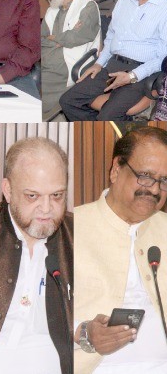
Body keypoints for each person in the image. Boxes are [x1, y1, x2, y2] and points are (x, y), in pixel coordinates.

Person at [74, 127, 167, 373]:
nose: (155, 189)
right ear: (116, 169)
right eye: (145, 176)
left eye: (164, 181)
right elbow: (35, 315)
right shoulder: (69, 228)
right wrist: (84, 332)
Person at [0, 138, 73, 374]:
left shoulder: (80, 236)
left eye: (57, 195)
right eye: (33, 196)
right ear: (8, 190)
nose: (46, 208)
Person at [60, 0, 167, 121]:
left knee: (107, 115)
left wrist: (132, 76)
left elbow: (162, 58)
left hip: (141, 72)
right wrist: (98, 63)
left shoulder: (164, 8)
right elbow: (111, 36)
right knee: (68, 101)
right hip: (112, 64)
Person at [41, 0, 101, 119]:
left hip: (67, 66)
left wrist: (53, 38)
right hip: (45, 61)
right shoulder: (52, 10)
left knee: (37, 91)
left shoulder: (88, 6)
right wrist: (62, 39)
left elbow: (75, 37)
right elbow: (40, 39)